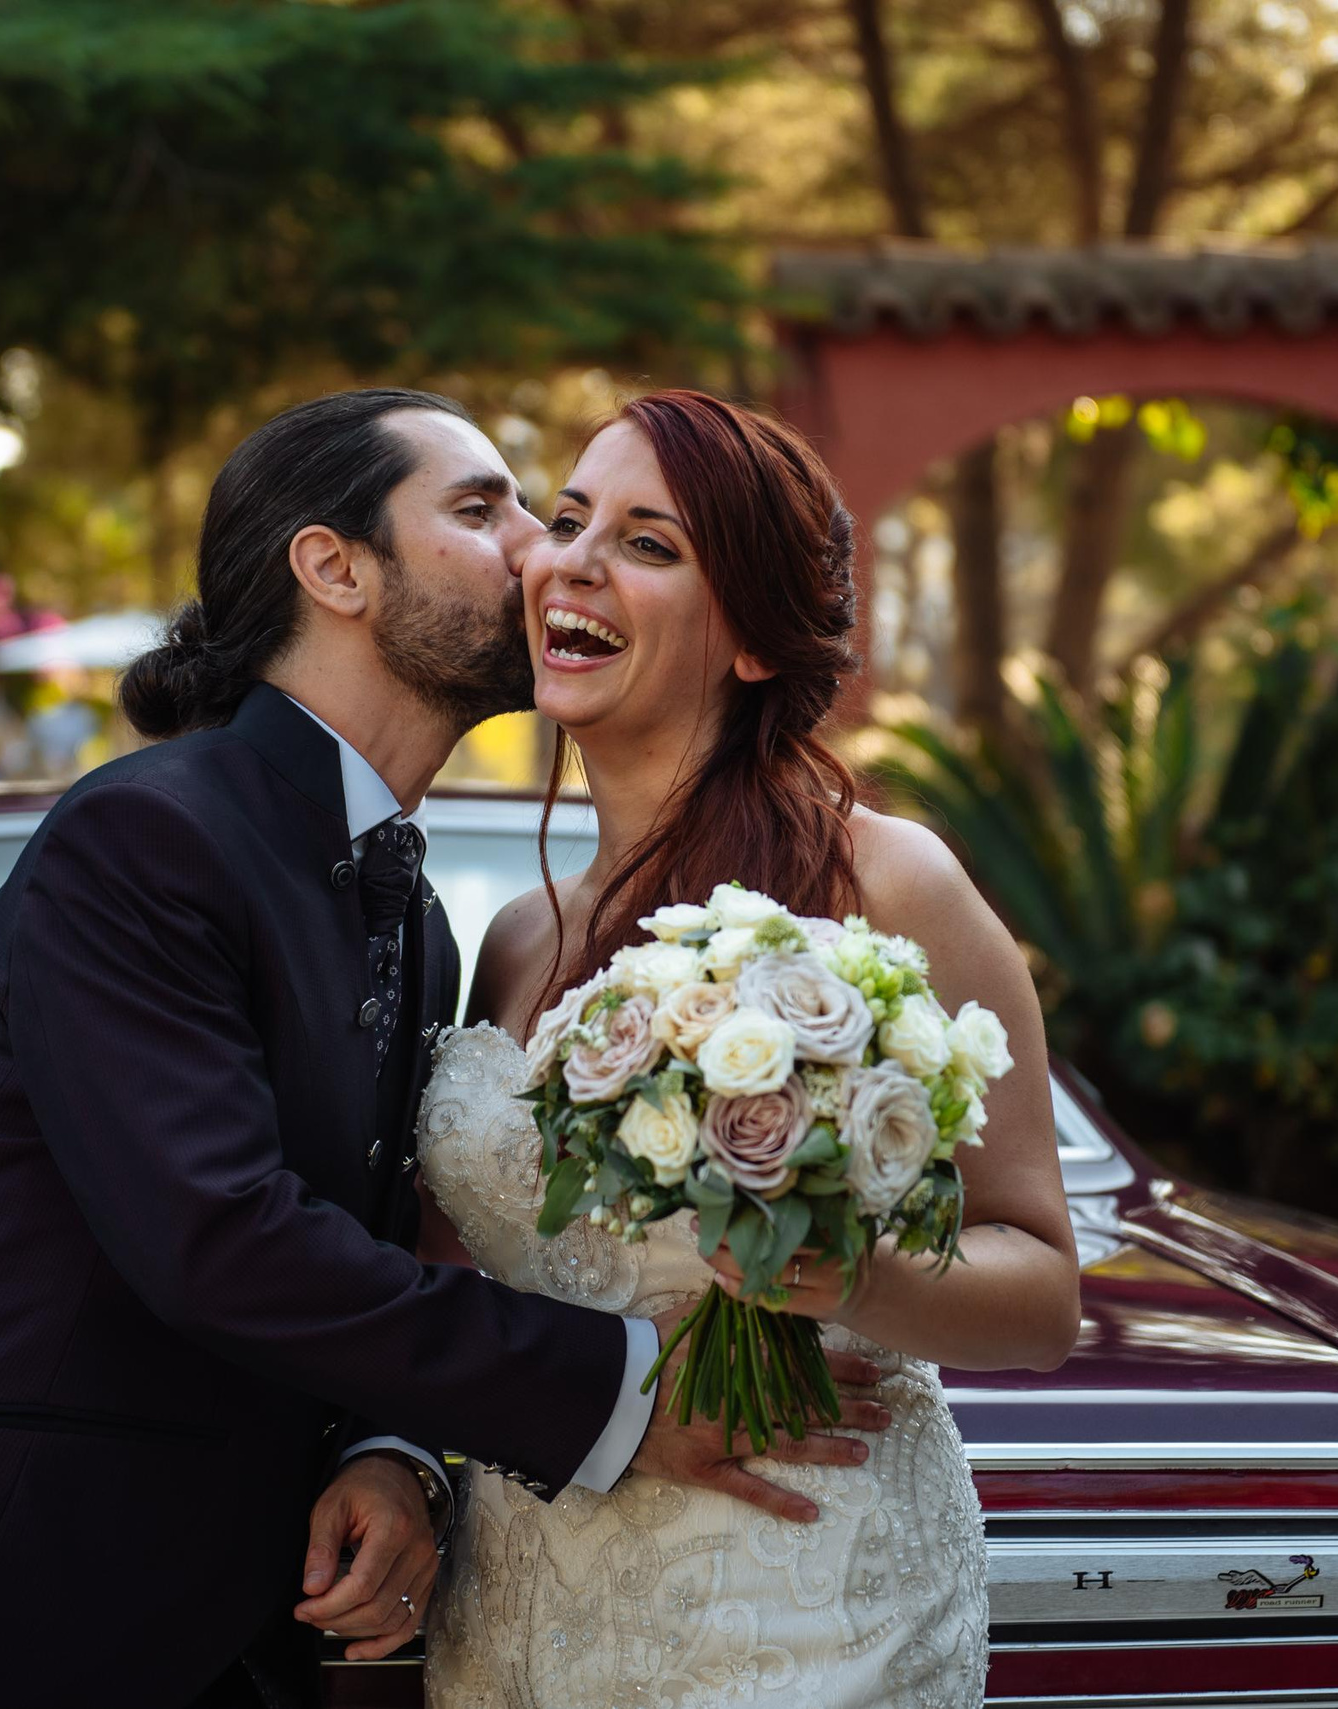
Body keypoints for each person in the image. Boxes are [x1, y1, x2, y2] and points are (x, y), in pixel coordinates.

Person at [0, 389, 888, 1709]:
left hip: (218, 1643)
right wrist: (617, 1393)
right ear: (334, 568)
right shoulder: (145, 839)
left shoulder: (420, 916)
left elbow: (373, 1246)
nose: (538, 555)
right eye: (485, 509)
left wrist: (388, 1444)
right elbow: (222, 1238)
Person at [417, 390, 1081, 1705]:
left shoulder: (889, 887)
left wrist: (843, 1276)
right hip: (516, 1612)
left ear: (757, 643)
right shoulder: (508, 936)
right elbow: (444, 1272)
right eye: (569, 520)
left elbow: (1045, 1288)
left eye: (651, 543)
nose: (578, 560)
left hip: (796, 1614)